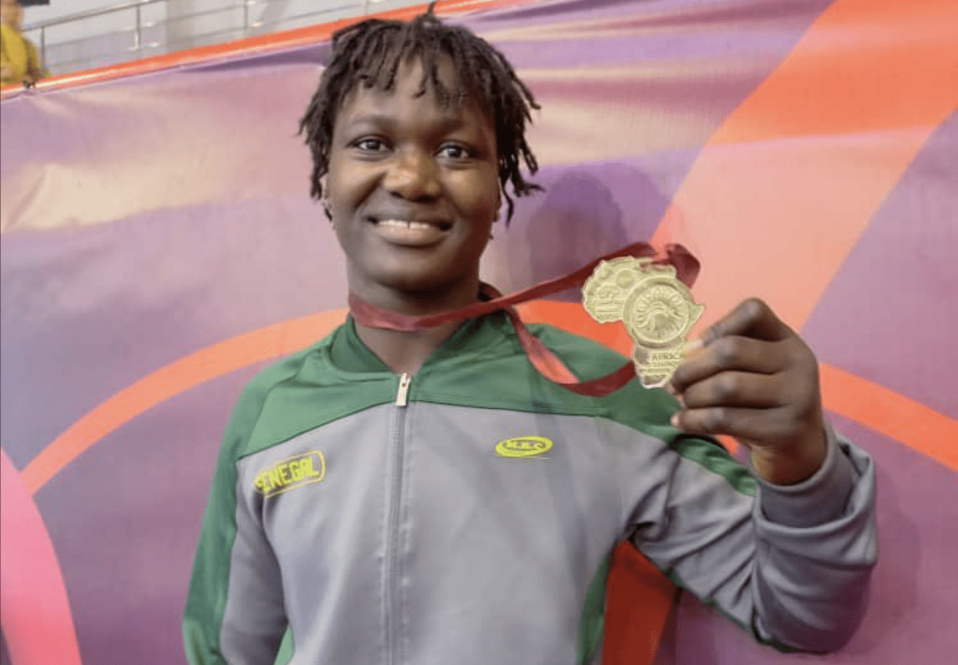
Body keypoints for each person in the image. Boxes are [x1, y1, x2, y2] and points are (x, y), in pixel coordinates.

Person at [183, 8, 876, 665]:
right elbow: (222, 652)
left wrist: (803, 467)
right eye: (372, 143)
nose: (413, 178)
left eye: (456, 149)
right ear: (326, 179)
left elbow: (801, 614)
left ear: (498, 192)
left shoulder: (601, 396)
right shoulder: (270, 409)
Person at [0, 0, 45, 87]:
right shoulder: (2, 34)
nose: (16, 10)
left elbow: (36, 75)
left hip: (21, 95)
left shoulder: (27, 43)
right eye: (10, 6)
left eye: (19, 5)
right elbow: (5, 72)